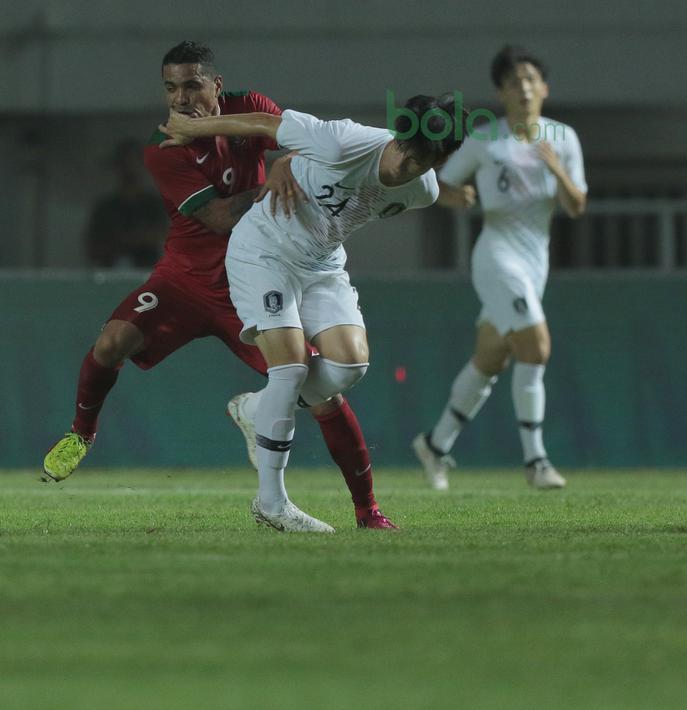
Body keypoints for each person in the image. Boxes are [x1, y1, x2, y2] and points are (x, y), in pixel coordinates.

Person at [42, 41, 398, 531]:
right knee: (113, 341)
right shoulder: (163, 146)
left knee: (320, 391)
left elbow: (308, 142)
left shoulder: (250, 108)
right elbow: (216, 217)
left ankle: (368, 511)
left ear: (216, 85)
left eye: (191, 85)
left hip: (253, 273)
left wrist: (286, 159)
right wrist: (277, 177)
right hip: (186, 279)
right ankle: (82, 433)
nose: (180, 98)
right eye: (170, 88)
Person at [159, 92, 469, 532]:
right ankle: (272, 502)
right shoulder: (343, 142)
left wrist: (292, 165)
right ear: (398, 136)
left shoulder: (422, 192)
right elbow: (266, 124)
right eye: (405, 149)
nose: (405, 164)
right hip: (264, 250)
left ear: (442, 157)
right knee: (291, 368)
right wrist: (191, 129)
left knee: (349, 365)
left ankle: (257, 409)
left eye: (421, 160)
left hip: (322, 264)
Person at [412, 46, 587, 491]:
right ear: (502, 93)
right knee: (537, 347)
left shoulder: (562, 139)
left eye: (530, 79)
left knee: (491, 359)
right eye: (513, 81)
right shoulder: (487, 139)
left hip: (535, 260)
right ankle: (536, 462)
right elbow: (441, 180)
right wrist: (455, 197)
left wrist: (557, 170)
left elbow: (577, 204)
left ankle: (435, 444)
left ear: (544, 88)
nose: (523, 87)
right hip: (496, 254)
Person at [84, 139, 167, 268]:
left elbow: (163, 238)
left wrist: (132, 239)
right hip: (110, 279)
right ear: (118, 167)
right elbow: (93, 247)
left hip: (147, 276)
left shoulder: (154, 204)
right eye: (125, 163)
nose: (130, 168)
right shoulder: (105, 208)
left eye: (134, 162)